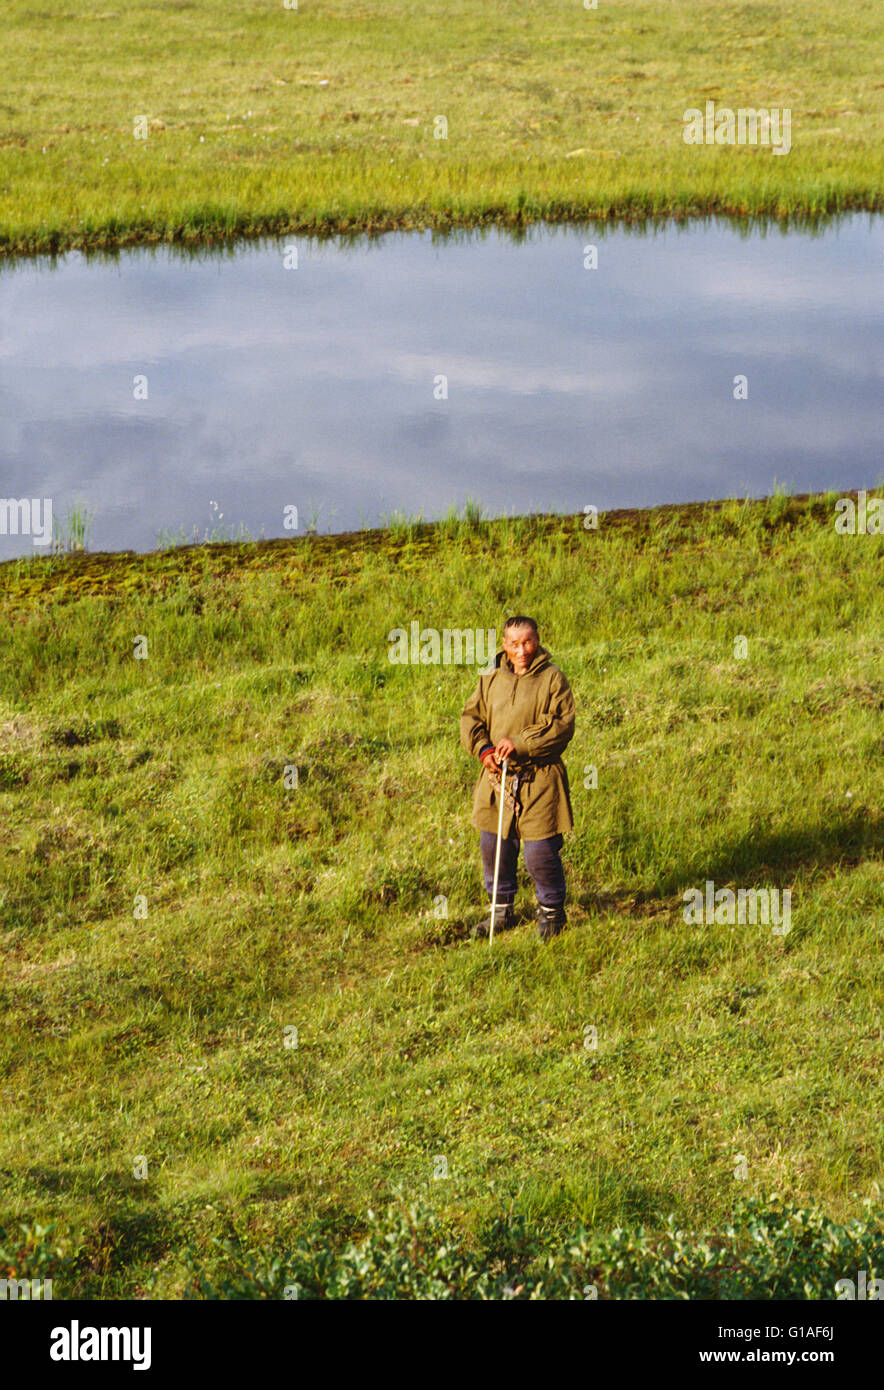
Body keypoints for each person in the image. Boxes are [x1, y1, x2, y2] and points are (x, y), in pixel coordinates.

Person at [460, 616, 575, 941]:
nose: (521, 650)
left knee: (539, 852)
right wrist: (484, 751)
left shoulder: (553, 679)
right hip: (496, 779)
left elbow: (563, 726)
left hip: (540, 779)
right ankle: (501, 912)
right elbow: (471, 718)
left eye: (527, 642)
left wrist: (522, 744)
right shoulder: (490, 675)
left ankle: (552, 913)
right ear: (504, 645)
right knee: (495, 847)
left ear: (537, 639)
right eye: (514, 643)